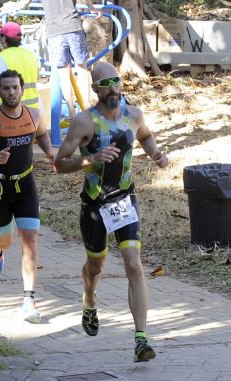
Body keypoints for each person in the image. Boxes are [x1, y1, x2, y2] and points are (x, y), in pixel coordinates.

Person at [54, 62, 168, 362]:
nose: (114, 87)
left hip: (124, 197)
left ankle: (141, 338)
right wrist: (90, 160)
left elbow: (144, 135)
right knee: (97, 266)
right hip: (95, 201)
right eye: (107, 83)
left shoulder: (134, 114)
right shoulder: (84, 123)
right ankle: (90, 299)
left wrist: (155, 153)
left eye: (117, 81)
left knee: (134, 264)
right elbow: (59, 163)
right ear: (96, 90)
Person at [0, 69, 54, 323]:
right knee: (5, 240)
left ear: (22, 90)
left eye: (15, 87)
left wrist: (49, 152)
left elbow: (41, 134)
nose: (11, 92)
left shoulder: (34, 116)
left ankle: (29, 300)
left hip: (26, 186)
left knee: (30, 241)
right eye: (5, 88)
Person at [40, 0, 102, 119]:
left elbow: (24, 3)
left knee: (63, 73)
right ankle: (86, 106)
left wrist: (8, 8)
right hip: (73, 27)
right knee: (81, 68)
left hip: (54, 32)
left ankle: (71, 110)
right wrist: (92, 8)